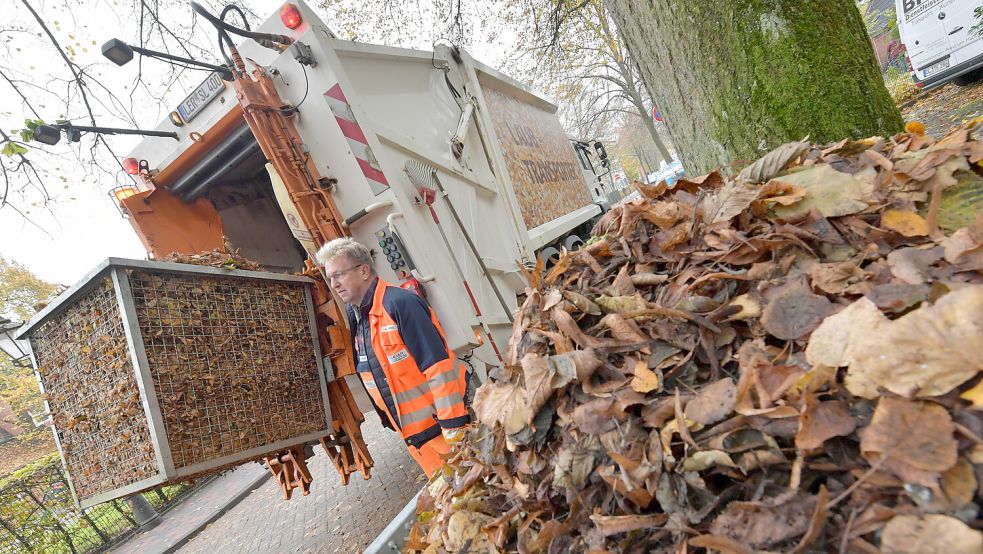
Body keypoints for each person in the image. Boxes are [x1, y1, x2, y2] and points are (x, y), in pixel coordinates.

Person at [315, 238, 469, 477]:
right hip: (417, 440)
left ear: (364, 270)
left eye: (339, 275)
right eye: (330, 278)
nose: (334, 284)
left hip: (443, 433)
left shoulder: (399, 304)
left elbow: (439, 367)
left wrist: (454, 426)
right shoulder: (358, 317)